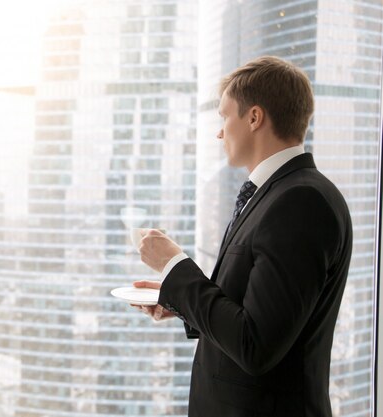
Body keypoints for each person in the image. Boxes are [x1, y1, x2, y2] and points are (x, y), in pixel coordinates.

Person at [133, 56, 353, 417]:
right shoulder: (277, 194)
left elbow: (256, 345)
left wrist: (174, 264)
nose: (219, 132)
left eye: (224, 117)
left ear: (254, 117)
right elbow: (253, 310)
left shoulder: (300, 201)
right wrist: (179, 301)